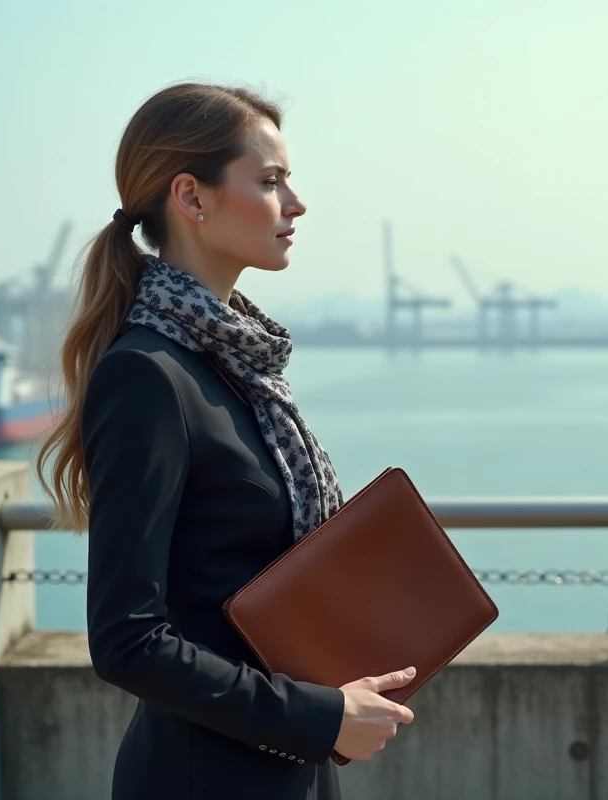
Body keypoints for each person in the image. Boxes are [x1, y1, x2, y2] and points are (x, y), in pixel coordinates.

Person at [35, 81, 415, 800]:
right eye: (270, 182)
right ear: (193, 197)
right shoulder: (147, 377)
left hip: (291, 769)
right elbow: (126, 640)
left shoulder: (242, 364)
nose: (295, 205)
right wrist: (319, 715)